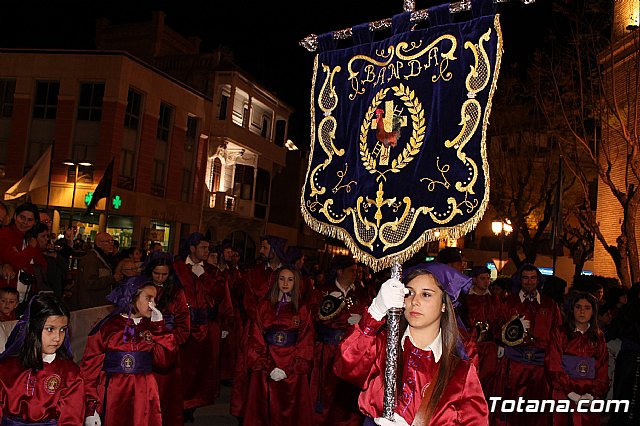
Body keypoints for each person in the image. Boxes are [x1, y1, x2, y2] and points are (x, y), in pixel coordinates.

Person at [334, 262, 488, 425]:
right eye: (409, 293)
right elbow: (345, 366)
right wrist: (375, 312)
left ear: (444, 305)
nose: (414, 301)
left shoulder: (461, 370)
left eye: (426, 294)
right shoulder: (382, 345)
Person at [80, 277, 177, 426]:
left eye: (155, 299)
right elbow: (89, 371)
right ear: (132, 298)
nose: (154, 304)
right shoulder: (107, 328)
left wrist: (160, 329)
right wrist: (91, 408)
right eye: (148, 298)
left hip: (144, 393)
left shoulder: (152, 328)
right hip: (113, 394)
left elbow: (165, 361)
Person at [173, 233, 232, 422]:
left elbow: (219, 294)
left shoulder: (212, 272)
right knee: (181, 367)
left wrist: (204, 277)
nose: (207, 251)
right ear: (192, 248)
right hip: (183, 326)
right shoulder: (178, 268)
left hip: (205, 327)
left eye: (208, 248)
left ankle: (191, 407)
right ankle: (178, 404)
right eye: (203, 247)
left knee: (200, 368)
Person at [244, 266, 315, 425]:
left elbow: (306, 341)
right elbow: (256, 337)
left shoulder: (302, 309)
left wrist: (289, 368)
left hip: (292, 365)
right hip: (267, 363)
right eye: (282, 278)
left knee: (290, 406)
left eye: (290, 279)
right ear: (276, 281)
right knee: (264, 406)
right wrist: (268, 366)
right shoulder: (264, 306)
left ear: (296, 283)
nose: (285, 283)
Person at [0, 292, 85, 424]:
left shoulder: (70, 373)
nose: (57, 338)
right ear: (33, 328)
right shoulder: (6, 369)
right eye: (50, 329)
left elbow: (71, 419)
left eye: (62, 330)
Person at [494, 264, 562, 426]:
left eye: (533, 278)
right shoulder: (508, 303)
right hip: (515, 364)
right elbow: (496, 326)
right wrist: (504, 339)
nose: (529, 281)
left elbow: (558, 334)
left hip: (542, 365)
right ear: (520, 279)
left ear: (539, 280)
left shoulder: (550, 304)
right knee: (513, 405)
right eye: (525, 277)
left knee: (539, 407)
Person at [230, 235, 287, 421]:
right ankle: (246, 412)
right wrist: (265, 322)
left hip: (281, 335)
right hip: (256, 328)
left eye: (264, 247)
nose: (261, 251)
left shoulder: (288, 274)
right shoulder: (254, 273)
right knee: (249, 370)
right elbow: (248, 302)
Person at [310, 254, 371, 426]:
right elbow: (315, 316)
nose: (355, 274)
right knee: (324, 393)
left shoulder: (361, 293)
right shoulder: (323, 291)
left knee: (346, 395)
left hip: (350, 353)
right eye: (351, 271)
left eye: (357, 271)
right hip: (327, 350)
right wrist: (343, 319)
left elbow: (370, 315)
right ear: (339, 271)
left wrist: (362, 319)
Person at [545, 292, 609, 426]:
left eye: (587, 308)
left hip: (589, 397)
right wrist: (570, 393)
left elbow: (602, 368)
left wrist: (592, 395)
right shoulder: (560, 333)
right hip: (563, 394)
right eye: (578, 307)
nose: (582, 311)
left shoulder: (598, 337)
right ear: (572, 309)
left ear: (593, 312)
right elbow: (553, 364)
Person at [145, 253, 190, 426]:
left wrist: (169, 344)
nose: (160, 278)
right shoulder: (143, 289)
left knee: (165, 395)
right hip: (145, 347)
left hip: (167, 349)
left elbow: (184, 326)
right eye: (157, 273)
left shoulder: (176, 292)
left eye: (164, 274)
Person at [464, 265, 501, 397]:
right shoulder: (466, 300)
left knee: (489, 379)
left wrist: (499, 342)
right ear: (474, 279)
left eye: (488, 278)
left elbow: (498, 321)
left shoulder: (494, 299)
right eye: (482, 278)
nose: (486, 282)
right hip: (471, 347)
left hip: (489, 346)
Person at [0, 202, 44, 303]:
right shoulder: (4, 234)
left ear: (35, 222)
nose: (24, 222)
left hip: (28, 297)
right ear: (15, 216)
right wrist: (30, 249)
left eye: (29, 220)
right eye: (22, 217)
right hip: (6, 297)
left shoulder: (32, 240)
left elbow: (41, 267)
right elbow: (17, 262)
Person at [74, 232, 116, 309]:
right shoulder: (92, 259)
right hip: (91, 305)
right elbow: (91, 282)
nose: (111, 244)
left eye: (112, 241)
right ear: (98, 244)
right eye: (108, 241)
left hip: (100, 304)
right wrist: (112, 279)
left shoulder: (105, 259)